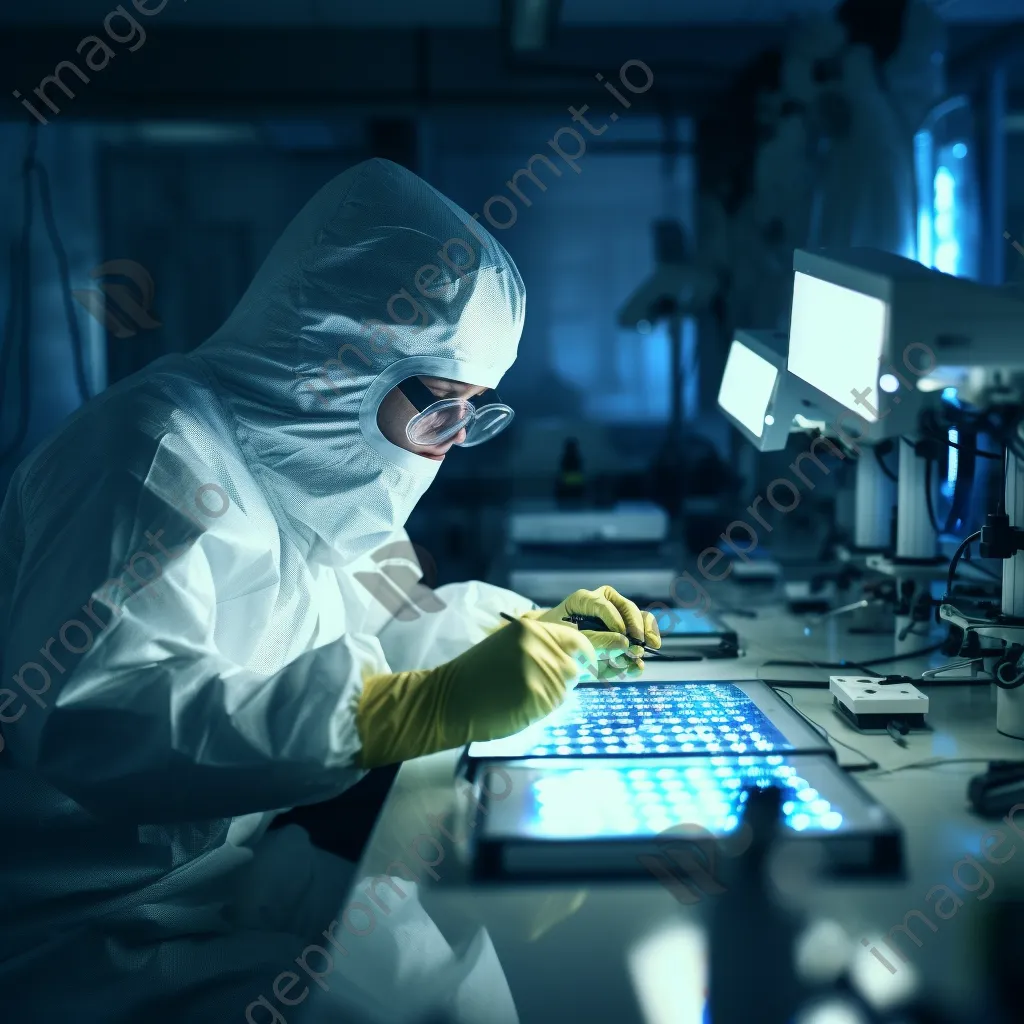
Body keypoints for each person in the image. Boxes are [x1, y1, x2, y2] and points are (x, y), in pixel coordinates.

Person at [0, 157, 660, 1022]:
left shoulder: (319, 478)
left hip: (215, 872)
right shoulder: (154, 456)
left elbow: (402, 619)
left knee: (464, 976)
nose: (453, 442)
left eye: (475, 412)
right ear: (338, 359)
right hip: (88, 932)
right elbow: (97, 718)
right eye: (439, 405)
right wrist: (401, 713)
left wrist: (530, 627)